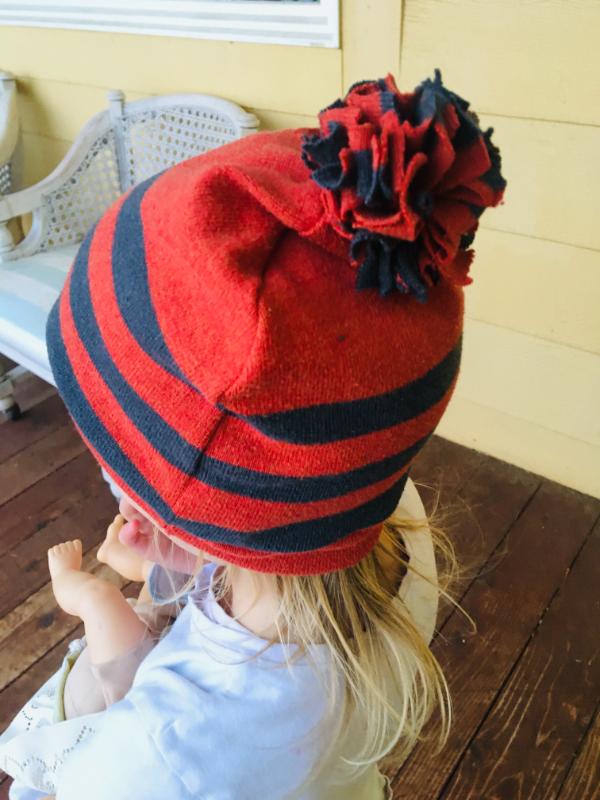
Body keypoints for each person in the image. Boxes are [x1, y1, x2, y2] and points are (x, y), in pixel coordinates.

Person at [0, 69, 506, 799]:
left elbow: (70, 770)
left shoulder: (159, 754)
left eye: (116, 450)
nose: (105, 467)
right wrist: (172, 564)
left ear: (194, 498)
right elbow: (249, 556)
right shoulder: (384, 518)